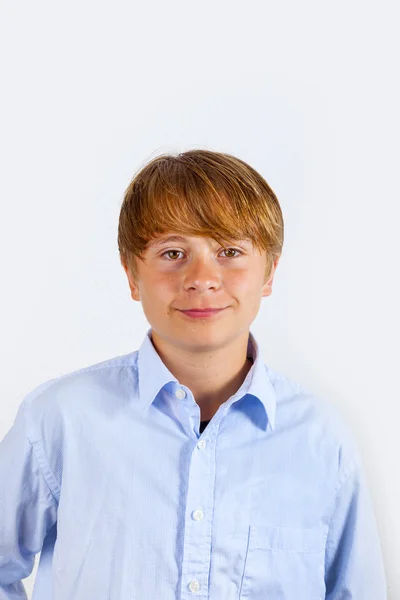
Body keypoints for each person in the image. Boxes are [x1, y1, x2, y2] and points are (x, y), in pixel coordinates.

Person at [0, 149, 386, 599]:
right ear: (131, 274)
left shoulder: (320, 438)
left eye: (230, 251)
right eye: (173, 252)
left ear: (269, 273)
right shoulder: (60, 420)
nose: (202, 278)